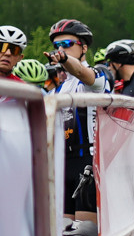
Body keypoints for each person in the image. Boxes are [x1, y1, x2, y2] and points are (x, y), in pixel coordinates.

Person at [44, 19, 109, 225]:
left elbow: (82, 72)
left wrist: (64, 59)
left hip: (88, 163)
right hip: (64, 163)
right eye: (57, 46)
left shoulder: (96, 75)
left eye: (68, 44)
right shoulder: (60, 88)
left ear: (84, 47)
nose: (61, 50)